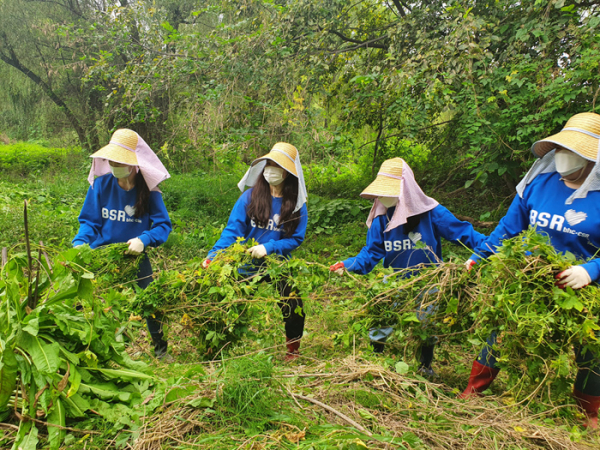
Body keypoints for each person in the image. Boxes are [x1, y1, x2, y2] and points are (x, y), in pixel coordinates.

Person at [460, 112, 600, 429]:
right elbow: (508, 229)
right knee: (500, 330)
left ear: (593, 159)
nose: (564, 157)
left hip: (582, 288)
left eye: (574, 153)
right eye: (562, 150)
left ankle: (588, 413)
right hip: (529, 279)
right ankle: (473, 390)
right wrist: (479, 256)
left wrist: (591, 270)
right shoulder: (540, 184)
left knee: (593, 348)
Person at [329, 158, 486, 374]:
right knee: (381, 319)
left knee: (426, 325)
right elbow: (372, 252)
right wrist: (347, 264)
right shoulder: (381, 217)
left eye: (390, 191)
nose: (384, 197)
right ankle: (376, 363)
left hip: (428, 280)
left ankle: (425, 366)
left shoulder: (431, 212)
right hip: (394, 281)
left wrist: (482, 253)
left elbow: (465, 233)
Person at [202, 143, 308, 361]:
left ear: (288, 172)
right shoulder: (250, 197)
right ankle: (219, 348)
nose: (271, 170)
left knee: (293, 302)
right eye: (269, 164)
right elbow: (233, 230)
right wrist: (213, 256)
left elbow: (296, 239)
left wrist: (269, 247)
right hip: (247, 262)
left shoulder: (296, 204)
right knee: (231, 303)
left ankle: (293, 350)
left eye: (277, 166)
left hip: (277, 263)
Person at [72, 129, 172, 359]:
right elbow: (90, 221)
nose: (115, 165)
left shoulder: (149, 190)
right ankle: (83, 343)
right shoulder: (101, 185)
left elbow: (163, 226)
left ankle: (161, 349)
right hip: (104, 253)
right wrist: (80, 242)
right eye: (112, 161)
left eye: (121, 161)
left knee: (150, 300)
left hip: (135, 255)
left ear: (133, 163)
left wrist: (143, 239)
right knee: (84, 297)